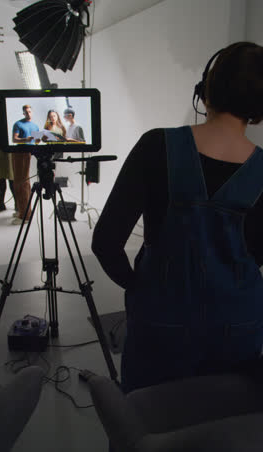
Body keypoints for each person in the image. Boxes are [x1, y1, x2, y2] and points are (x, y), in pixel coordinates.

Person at [92, 41, 263, 397]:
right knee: (221, 425)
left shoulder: (156, 146)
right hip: (240, 325)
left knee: (145, 424)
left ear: (206, 89)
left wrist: (141, 289)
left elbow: (106, 242)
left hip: (160, 321)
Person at [12, 105, 39, 225]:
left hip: (27, 153)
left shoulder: (35, 126)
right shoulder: (18, 124)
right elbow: (14, 140)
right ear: (23, 113)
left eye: (29, 112)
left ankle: (25, 215)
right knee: (19, 182)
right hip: (18, 153)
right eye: (26, 112)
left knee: (22, 183)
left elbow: (38, 141)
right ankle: (22, 211)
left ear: (32, 112)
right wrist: (26, 140)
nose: (28, 114)